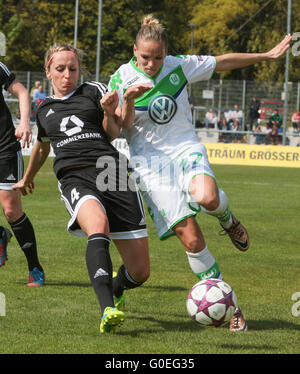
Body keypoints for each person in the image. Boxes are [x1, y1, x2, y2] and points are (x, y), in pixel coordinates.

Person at [109, 14, 291, 332]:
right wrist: (126, 101)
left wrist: (267, 55)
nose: (152, 64)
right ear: (134, 50)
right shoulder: (120, 78)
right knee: (191, 240)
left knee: (206, 197)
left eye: (158, 57)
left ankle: (229, 220)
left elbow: (222, 62)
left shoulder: (179, 66)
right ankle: (230, 307)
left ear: (166, 53)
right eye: (145, 57)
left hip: (185, 148)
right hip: (151, 169)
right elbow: (120, 129)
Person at [13, 44, 151, 334]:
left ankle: (116, 286)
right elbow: (42, 146)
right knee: (97, 225)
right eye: (60, 69)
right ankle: (106, 309)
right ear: (48, 71)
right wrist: (27, 177)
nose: (67, 75)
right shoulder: (44, 110)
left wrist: (110, 110)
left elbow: (113, 132)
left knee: (140, 272)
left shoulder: (94, 90)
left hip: (112, 171)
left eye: (72, 69)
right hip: (74, 175)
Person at [0, 61, 44, 286]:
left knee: (11, 211)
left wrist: (25, 122)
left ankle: (34, 267)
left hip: (4, 146)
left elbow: (22, 92)